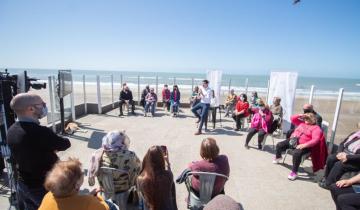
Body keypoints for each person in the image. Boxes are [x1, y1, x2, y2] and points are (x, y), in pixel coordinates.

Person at [6, 93, 71, 210]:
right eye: (42, 104)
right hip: (42, 187)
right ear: (31, 109)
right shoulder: (41, 133)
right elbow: (65, 143)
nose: (45, 106)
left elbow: (29, 149)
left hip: (23, 185)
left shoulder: (11, 130)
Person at [38, 158, 118, 210]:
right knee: (112, 206)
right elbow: (105, 208)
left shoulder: (47, 197)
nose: (83, 173)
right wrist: (98, 198)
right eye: (81, 173)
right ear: (76, 185)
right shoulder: (89, 203)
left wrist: (88, 196)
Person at [273, 113, 327, 180]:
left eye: (308, 118)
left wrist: (304, 145)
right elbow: (292, 118)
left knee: (296, 153)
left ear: (314, 120)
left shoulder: (316, 128)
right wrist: (300, 115)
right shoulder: (301, 123)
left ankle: (294, 172)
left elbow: (315, 140)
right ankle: (278, 157)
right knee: (279, 145)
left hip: (305, 145)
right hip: (293, 141)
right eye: (305, 118)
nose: (306, 120)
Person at [137, 146, 177, 210]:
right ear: (161, 159)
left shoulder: (141, 179)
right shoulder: (168, 175)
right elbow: (169, 175)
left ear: (148, 159)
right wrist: (168, 163)